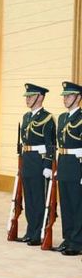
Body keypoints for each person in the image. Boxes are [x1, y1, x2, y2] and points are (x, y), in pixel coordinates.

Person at [17, 83, 55, 246]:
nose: (28, 99)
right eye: (27, 96)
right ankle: (30, 229)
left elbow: (51, 144)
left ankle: (39, 232)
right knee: (29, 198)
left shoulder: (47, 118)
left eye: (31, 96)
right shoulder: (26, 117)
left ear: (40, 97)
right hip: (27, 160)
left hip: (40, 161)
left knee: (39, 198)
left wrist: (48, 164)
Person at [56, 81, 82, 255]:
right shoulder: (62, 118)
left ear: (79, 98)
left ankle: (78, 241)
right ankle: (68, 237)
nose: (66, 99)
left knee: (77, 204)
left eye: (70, 95)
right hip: (64, 162)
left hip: (76, 163)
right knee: (65, 203)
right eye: (65, 96)